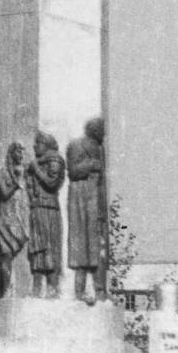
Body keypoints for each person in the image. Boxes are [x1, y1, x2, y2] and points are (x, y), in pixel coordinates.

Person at [65, 117, 109, 302]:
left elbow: (102, 183)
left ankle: (100, 290)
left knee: (99, 249)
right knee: (81, 249)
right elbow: (73, 171)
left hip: (96, 203)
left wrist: (103, 211)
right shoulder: (76, 146)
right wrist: (91, 165)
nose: (104, 134)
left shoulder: (100, 149)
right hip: (81, 203)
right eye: (101, 130)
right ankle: (79, 292)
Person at [25, 131, 66, 297]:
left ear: (46, 144)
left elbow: (52, 182)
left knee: (49, 248)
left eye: (38, 143)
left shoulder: (54, 160)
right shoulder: (36, 162)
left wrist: (36, 169)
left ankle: (52, 287)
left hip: (48, 208)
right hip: (37, 208)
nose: (35, 146)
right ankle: (36, 288)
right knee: (36, 249)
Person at [0, 141, 30, 299]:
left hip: (16, 218)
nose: (21, 155)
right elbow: (5, 193)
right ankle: (4, 290)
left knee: (13, 255)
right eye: (18, 151)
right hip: (4, 218)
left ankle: (6, 288)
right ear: (12, 153)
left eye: (22, 152)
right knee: (6, 256)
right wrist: (17, 183)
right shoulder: (2, 174)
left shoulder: (20, 173)